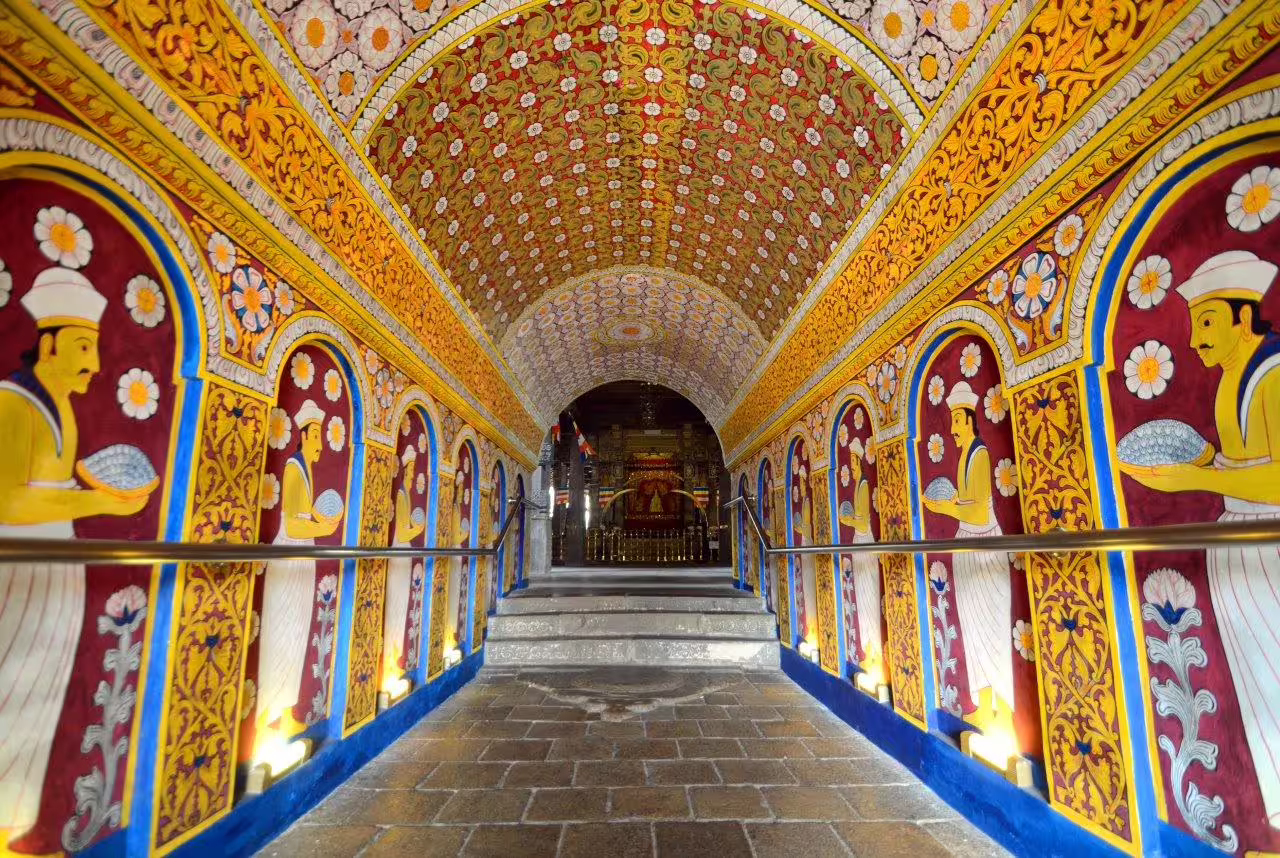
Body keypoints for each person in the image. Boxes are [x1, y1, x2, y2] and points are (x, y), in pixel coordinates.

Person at [1119, 250, 1280, 825]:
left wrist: (1194, 477)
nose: (1194, 339)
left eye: (1207, 322)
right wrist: (1201, 461)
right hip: (1238, 538)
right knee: (1260, 680)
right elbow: (1238, 462)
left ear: (1244, 317)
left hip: (1266, 540)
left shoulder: (1271, 375)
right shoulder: (1232, 380)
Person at [0, 267, 154, 849]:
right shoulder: (14, 404)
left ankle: (13, 824)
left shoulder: (60, 408)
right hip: (19, 569)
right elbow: (8, 498)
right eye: (83, 347)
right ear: (49, 346)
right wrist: (103, 501)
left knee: (36, 691)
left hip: (56, 568)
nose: (93, 363)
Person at [921, 381, 1014, 731]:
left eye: (957, 421)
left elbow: (976, 511)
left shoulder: (980, 455)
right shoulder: (965, 456)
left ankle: (1004, 714)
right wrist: (949, 505)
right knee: (973, 631)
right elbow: (967, 502)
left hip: (983, 545)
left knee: (990, 628)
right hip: (968, 544)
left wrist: (944, 508)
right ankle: (984, 705)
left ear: (970, 420)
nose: (953, 429)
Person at [256, 398, 341, 750]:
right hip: (290, 559)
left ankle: (284, 711)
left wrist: (323, 522)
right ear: (304, 435)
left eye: (321, 436)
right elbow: (293, 525)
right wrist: (326, 526)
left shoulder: (305, 468)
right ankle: (266, 719)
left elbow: (306, 516)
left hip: (303, 558)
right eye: (316, 435)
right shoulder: (293, 469)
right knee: (283, 633)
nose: (320, 443)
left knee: (297, 633)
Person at [839, 438, 882, 670]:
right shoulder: (859, 485)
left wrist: (847, 520)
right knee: (863, 596)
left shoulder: (864, 485)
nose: (851, 467)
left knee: (868, 595)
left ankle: (874, 649)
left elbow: (863, 523)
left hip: (864, 543)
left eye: (853, 462)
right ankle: (869, 648)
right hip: (859, 543)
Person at [383, 445, 424, 680]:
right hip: (400, 552)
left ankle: (394, 656)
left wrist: (416, 529)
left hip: (404, 554)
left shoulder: (405, 495)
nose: (412, 475)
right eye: (410, 471)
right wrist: (418, 529)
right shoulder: (400, 496)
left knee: (401, 606)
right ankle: (390, 660)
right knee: (396, 606)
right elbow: (402, 531)